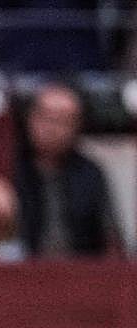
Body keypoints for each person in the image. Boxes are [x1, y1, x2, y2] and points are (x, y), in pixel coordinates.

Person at [13, 83, 117, 257]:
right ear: (30, 118)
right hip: (21, 272)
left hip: (81, 273)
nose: (52, 128)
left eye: (62, 120)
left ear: (77, 126)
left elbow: (109, 236)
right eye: (45, 117)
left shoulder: (90, 173)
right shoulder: (10, 166)